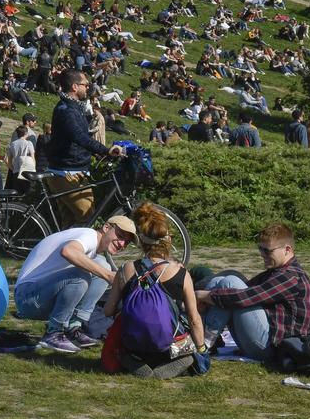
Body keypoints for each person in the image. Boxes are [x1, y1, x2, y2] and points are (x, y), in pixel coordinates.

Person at [97, 205, 206, 370]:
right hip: (168, 347)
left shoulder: (125, 269)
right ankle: (176, 361)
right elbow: (194, 319)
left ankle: (134, 362)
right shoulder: (181, 272)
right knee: (183, 331)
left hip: (132, 345)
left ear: (141, 241)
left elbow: (108, 311)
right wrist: (202, 349)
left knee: (122, 321)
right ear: (168, 239)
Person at [12, 215, 137, 353]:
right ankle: (54, 332)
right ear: (106, 228)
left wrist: (107, 274)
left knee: (103, 265)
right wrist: (108, 276)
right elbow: (68, 251)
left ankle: (74, 327)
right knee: (85, 275)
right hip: (26, 298)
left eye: (126, 242)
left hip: (39, 294)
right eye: (120, 236)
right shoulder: (88, 235)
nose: (122, 244)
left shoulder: (93, 245)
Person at [195, 222, 310, 362]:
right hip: (265, 341)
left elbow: (244, 297)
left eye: (267, 251)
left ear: (287, 249)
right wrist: (205, 300)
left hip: (276, 349)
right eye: (260, 249)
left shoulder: (291, 277)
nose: (262, 255)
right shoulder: (277, 272)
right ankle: (198, 332)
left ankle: (204, 343)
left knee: (230, 282)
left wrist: (201, 296)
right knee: (220, 281)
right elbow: (245, 288)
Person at [43, 73, 104, 225]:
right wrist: (105, 150)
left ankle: (61, 247)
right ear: (75, 87)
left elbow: (77, 139)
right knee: (88, 220)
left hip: (72, 170)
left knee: (69, 224)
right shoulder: (66, 110)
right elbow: (79, 137)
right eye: (85, 84)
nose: (88, 87)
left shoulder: (74, 107)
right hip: (66, 173)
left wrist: (95, 152)